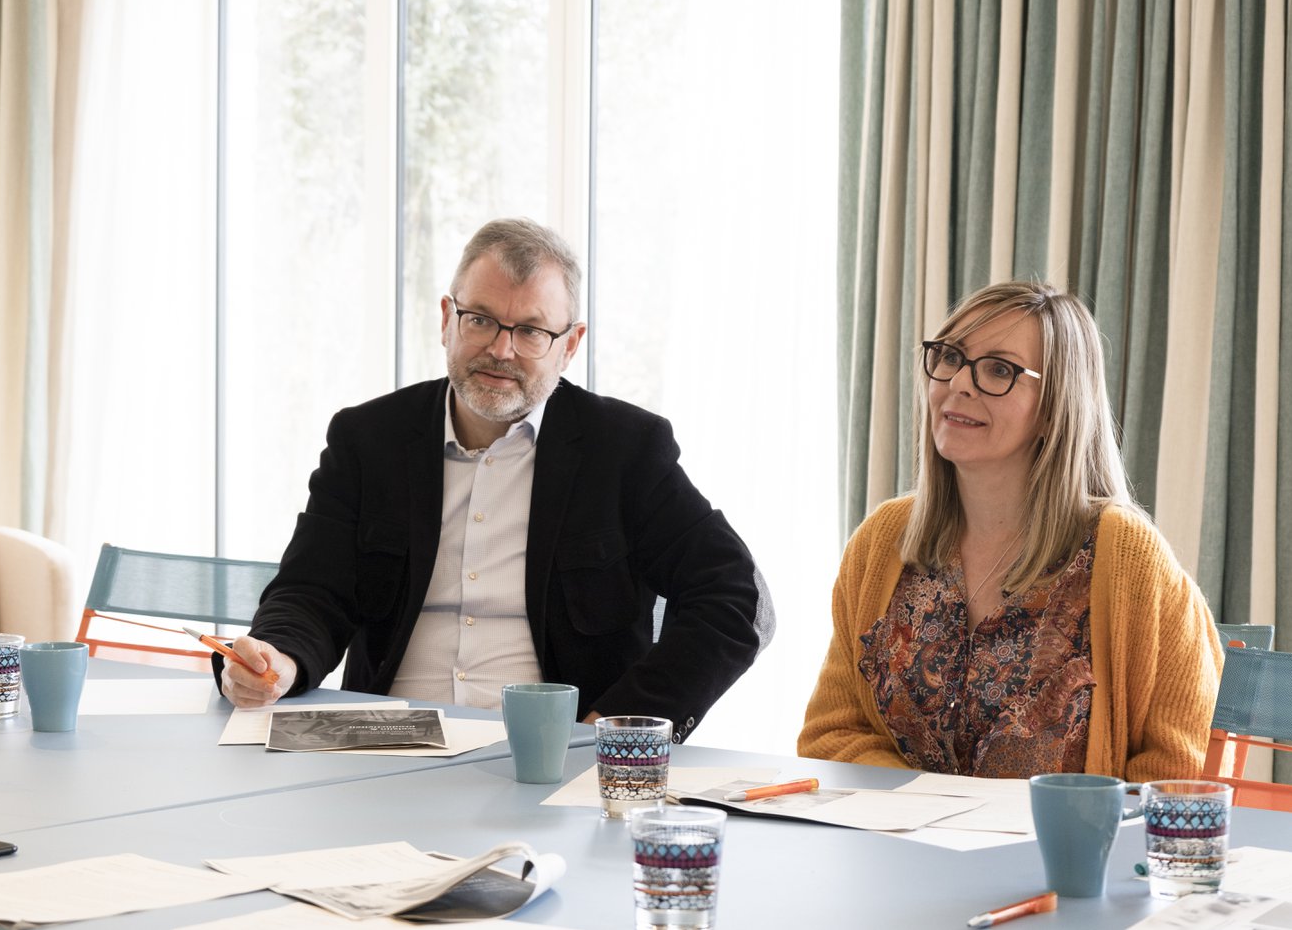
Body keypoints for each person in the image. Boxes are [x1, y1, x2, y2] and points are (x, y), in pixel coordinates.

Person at [219, 218, 771, 743]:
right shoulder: (368, 439)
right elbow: (312, 590)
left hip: (546, 761)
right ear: (446, 319)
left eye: (530, 330)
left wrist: (619, 726)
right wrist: (279, 659)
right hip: (381, 748)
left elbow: (733, 595)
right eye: (480, 319)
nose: (500, 349)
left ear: (569, 345)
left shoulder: (624, 450)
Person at [798, 281, 1221, 781]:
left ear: (1053, 408)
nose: (959, 383)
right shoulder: (884, 540)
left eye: (999, 369)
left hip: (1062, 856)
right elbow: (831, 734)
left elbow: (1177, 773)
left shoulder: (1127, 557)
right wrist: (931, 807)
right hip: (899, 850)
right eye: (951, 357)